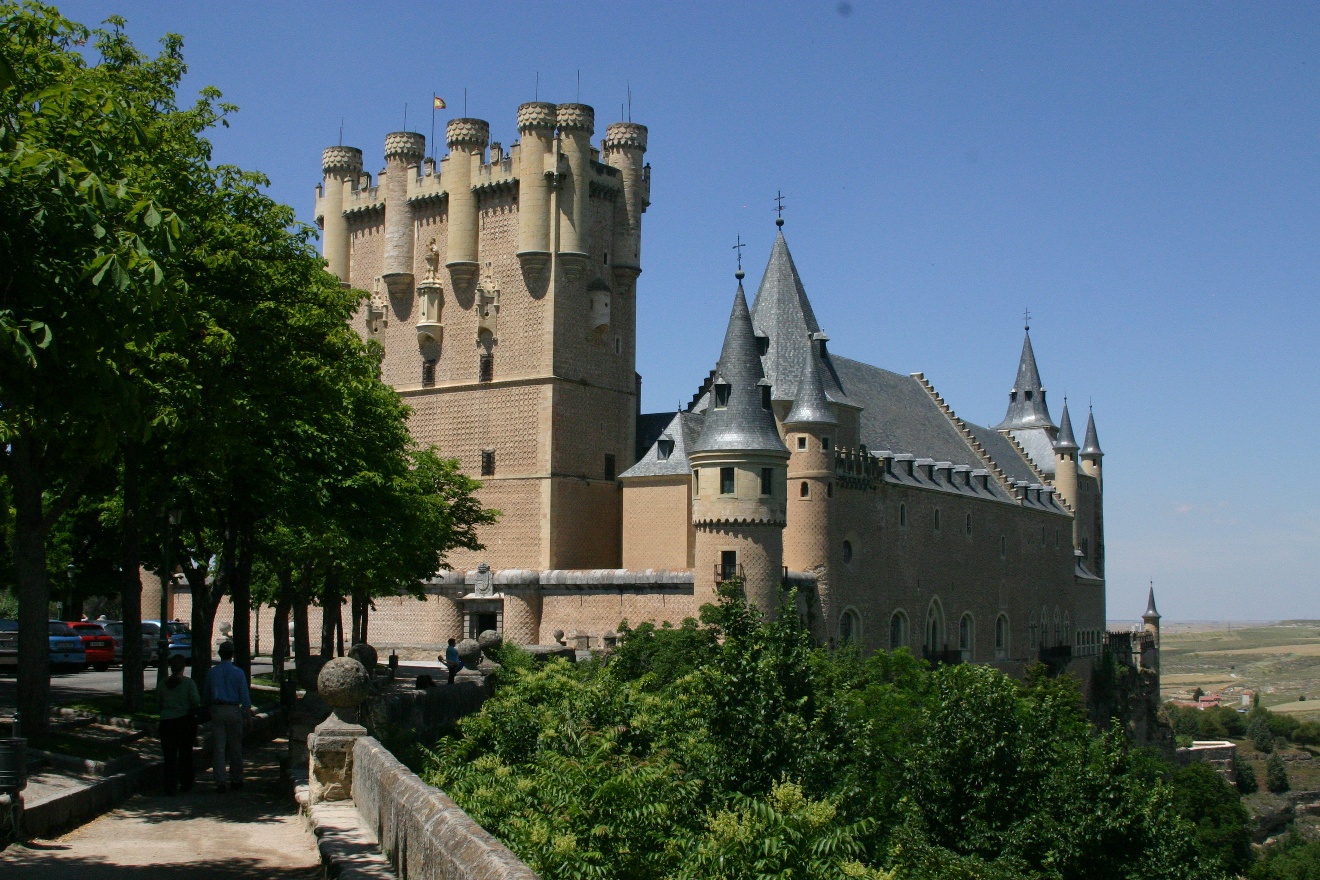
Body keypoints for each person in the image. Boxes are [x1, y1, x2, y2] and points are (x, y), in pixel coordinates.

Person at [208, 641, 252, 793]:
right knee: (235, 747)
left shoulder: (212, 672)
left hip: (218, 709)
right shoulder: (238, 672)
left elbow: (206, 694)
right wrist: (248, 714)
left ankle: (220, 781)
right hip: (233, 710)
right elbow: (245, 696)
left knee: (219, 748)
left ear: (220, 654)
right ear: (232, 654)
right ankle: (236, 779)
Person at [158, 654, 201, 795]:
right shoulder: (188, 683)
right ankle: (186, 782)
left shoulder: (163, 683)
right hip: (184, 721)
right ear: (183, 667)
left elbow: (159, 702)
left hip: (166, 722)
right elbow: (195, 701)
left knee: (169, 756)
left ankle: (169, 785)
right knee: (185, 753)